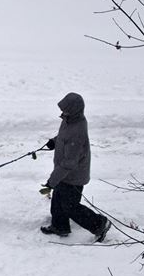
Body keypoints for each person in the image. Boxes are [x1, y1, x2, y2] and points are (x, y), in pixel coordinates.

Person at [40, 92, 111, 242]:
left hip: (73, 176)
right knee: (57, 201)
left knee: (70, 207)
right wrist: (55, 141)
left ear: (74, 110)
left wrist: (52, 181)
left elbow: (69, 163)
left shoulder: (77, 130)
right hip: (64, 173)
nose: (62, 112)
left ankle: (99, 224)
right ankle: (60, 226)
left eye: (65, 109)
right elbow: (65, 136)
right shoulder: (69, 120)